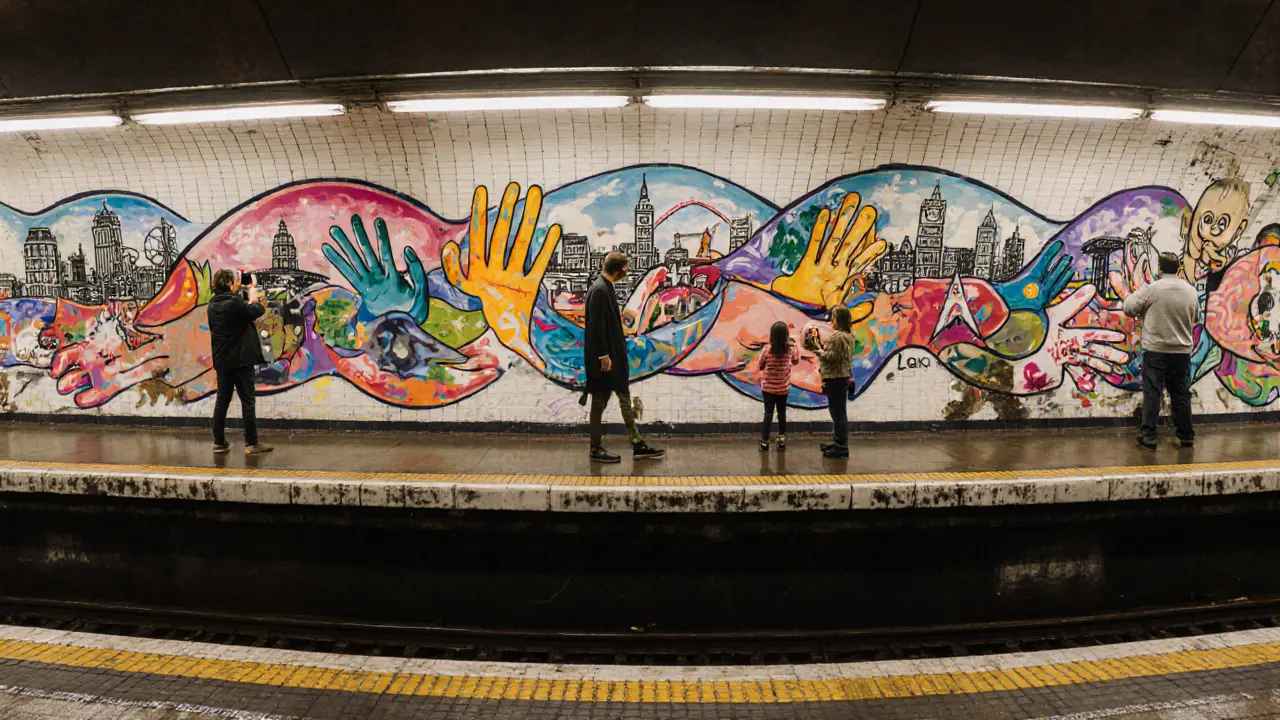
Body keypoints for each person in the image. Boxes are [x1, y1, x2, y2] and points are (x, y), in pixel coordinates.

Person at [584, 251, 664, 463]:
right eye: (626, 268)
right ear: (618, 270)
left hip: (614, 359)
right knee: (599, 402)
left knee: (624, 399)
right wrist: (603, 355)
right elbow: (596, 327)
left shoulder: (604, 287)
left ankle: (637, 444)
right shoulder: (600, 290)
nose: (627, 272)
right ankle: (595, 448)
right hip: (605, 362)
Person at [1124, 252, 1199, 450]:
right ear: (1179, 268)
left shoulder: (1152, 290)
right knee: (1181, 394)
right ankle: (1186, 435)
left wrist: (1141, 293)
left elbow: (1128, 307)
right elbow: (1196, 317)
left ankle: (1149, 436)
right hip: (1182, 352)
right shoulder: (1190, 291)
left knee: (1153, 392)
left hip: (1156, 350)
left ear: (1160, 268)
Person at [208, 269, 272, 455]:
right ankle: (251, 443)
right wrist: (252, 291)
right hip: (241, 360)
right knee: (247, 402)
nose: (237, 283)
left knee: (222, 401)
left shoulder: (213, 305)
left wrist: (244, 294)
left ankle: (219, 442)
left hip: (222, 361)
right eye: (235, 281)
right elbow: (257, 310)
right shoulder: (234, 304)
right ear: (229, 283)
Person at [805, 306, 855, 458]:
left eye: (833, 317)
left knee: (837, 414)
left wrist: (817, 349)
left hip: (835, 379)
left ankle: (841, 447)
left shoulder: (838, 337)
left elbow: (831, 357)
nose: (831, 320)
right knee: (840, 413)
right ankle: (839, 442)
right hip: (842, 377)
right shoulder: (848, 335)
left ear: (838, 319)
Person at [757, 321, 799, 451]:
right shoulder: (790, 349)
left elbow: (760, 366)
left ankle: (764, 442)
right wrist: (795, 345)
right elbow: (796, 360)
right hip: (783, 388)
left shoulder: (767, 349)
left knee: (768, 413)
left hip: (768, 388)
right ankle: (781, 441)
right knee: (781, 413)